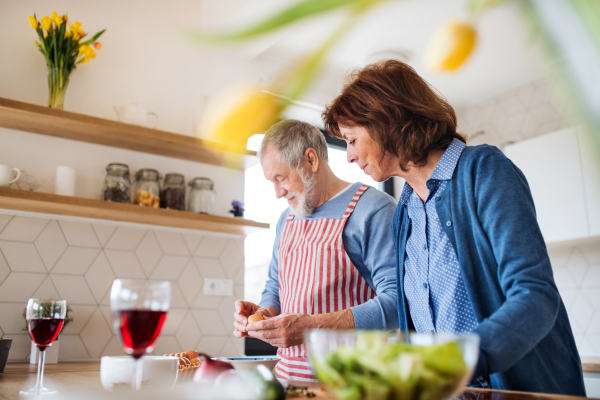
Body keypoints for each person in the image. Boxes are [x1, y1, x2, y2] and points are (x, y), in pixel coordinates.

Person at [321, 60, 586, 396]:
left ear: (385, 120)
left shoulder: (484, 171)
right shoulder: (404, 213)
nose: (349, 155)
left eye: (353, 139)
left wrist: (455, 361)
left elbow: (536, 296)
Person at [233, 119, 399, 381]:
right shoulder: (285, 220)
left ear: (311, 160)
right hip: (290, 384)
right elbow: (274, 289)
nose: (278, 193)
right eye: (271, 182)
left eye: (281, 177)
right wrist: (263, 314)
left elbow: (396, 304)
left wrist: (312, 327)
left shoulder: (373, 208)